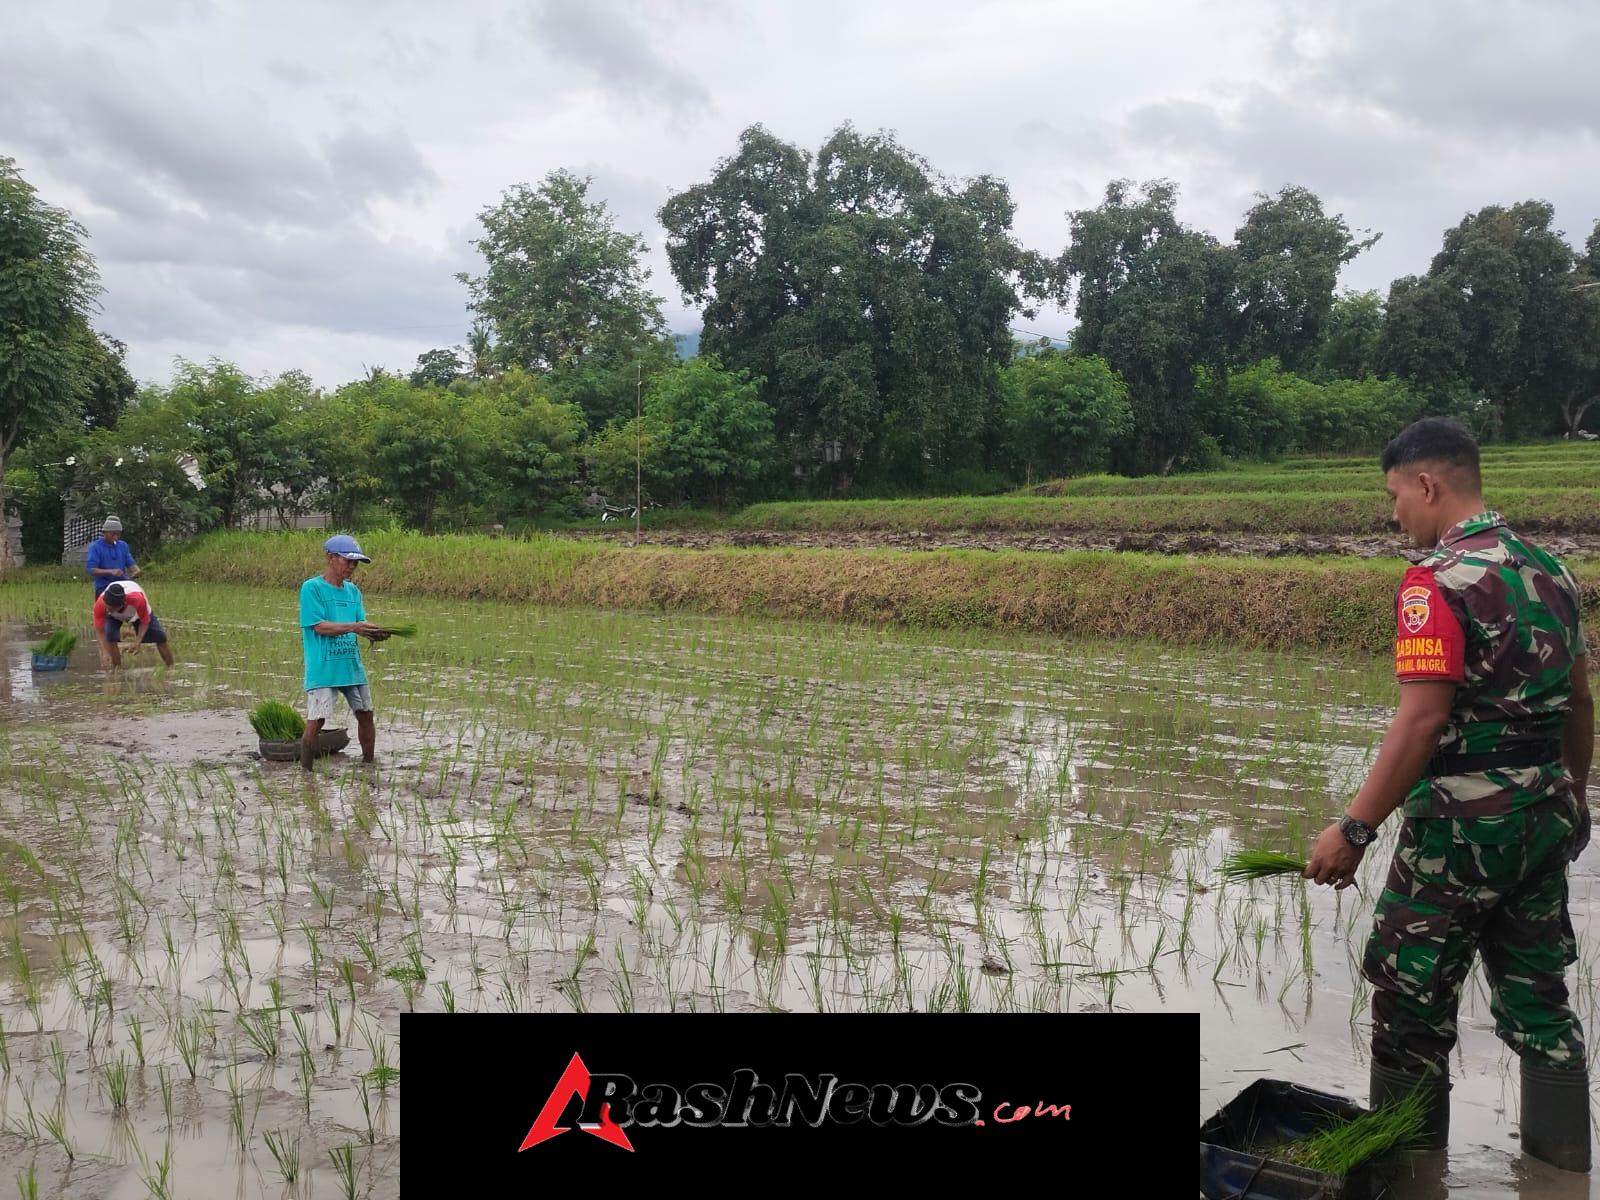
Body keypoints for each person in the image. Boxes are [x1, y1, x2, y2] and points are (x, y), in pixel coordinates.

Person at [1305, 417, 1592, 1173]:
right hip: (1544, 813)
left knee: (1409, 1003)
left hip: (1463, 827)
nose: (1394, 513)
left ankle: (1406, 1177)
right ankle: (1562, 1173)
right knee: (1539, 1000)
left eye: (1395, 496)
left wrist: (1355, 830)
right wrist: (1577, 800)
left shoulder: (1434, 580)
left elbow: (1423, 718)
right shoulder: (1551, 569)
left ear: (1427, 484)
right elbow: (1581, 704)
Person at [299, 534, 389, 771]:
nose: (352, 566)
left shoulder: (353, 592)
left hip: (350, 665)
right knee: (317, 720)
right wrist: (354, 627)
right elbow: (318, 626)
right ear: (331, 557)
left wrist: (374, 632)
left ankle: (368, 765)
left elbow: (360, 623)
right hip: (324, 666)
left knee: (366, 715)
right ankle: (305, 772)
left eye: (356, 562)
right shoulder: (312, 588)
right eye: (347, 560)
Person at [94, 580, 176, 668]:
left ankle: (171, 667)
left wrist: (137, 642)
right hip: (114, 616)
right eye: (107, 607)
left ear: (122, 604)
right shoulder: (100, 605)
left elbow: (144, 622)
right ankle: (117, 670)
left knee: (160, 637)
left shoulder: (137, 599)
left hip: (136, 611)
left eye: (111, 609)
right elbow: (100, 631)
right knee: (110, 636)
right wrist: (104, 652)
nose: (108, 610)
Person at [86, 515, 139, 597]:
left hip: (122, 584)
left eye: (118, 534)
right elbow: (91, 570)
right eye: (113, 534)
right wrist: (111, 571)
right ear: (104, 532)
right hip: (104, 586)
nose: (116, 537)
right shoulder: (95, 547)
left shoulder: (123, 546)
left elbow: (131, 564)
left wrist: (135, 571)